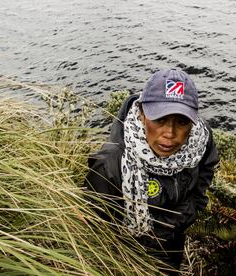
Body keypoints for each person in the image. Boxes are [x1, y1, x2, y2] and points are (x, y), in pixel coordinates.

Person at [85, 68, 219, 272]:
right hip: (128, 257)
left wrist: (189, 212)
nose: (170, 133)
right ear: (141, 114)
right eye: (160, 119)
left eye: (182, 121)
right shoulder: (110, 166)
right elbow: (96, 234)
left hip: (174, 246)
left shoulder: (200, 139)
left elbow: (206, 170)